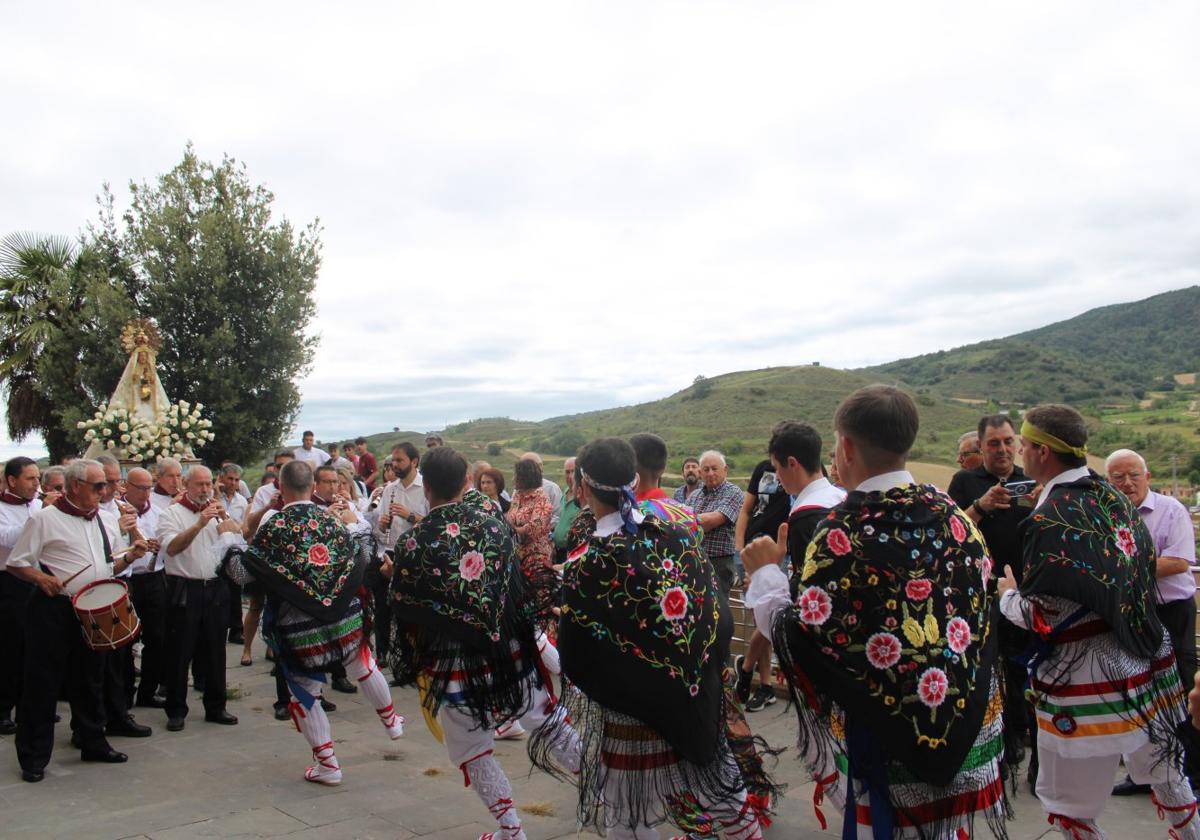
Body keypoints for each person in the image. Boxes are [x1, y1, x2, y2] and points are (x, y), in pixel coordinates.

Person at [743, 385, 1008, 838]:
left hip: (885, 747)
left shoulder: (840, 532)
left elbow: (803, 639)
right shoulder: (953, 514)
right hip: (965, 722)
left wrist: (767, 576)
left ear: (845, 446)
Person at [532, 437, 766, 839]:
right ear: (634, 479)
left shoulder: (587, 562)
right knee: (728, 801)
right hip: (695, 703)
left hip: (631, 720)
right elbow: (714, 614)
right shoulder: (675, 532)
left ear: (583, 488)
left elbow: (579, 659)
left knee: (627, 817)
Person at [996, 405, 1197, 837]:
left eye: (1026, 446)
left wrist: (1006, 596)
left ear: (1043, 453)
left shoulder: (1048, 519)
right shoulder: (1112, 499)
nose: (1022, 455)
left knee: (1071, 805)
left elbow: (1042, 615)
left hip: (1083, 677)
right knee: (1170, 778)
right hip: (1147, 661)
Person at [389, 446, 581, 840]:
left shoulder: (413, 543)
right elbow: (516, 592)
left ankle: (511, 829)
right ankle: (605, 787)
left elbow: (406, 614)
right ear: (466, 482)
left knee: (472, 749)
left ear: (425, 487)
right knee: (546, 721)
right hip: (508, 651)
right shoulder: (494, 527)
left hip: (452, 664)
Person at [216, 459, 402, 785]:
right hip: (344, 618)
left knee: (304, 694)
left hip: (301, 629)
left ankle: (329, 765)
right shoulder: (329, 519)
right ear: (313, 488)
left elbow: (241, 574)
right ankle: (391, 721)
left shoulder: (274, 527)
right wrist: (355, 524)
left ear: (281, 489)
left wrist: (230, 540)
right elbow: (363, 552)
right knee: (363, 663)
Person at [6, 459, 150, 782]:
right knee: (42, 683)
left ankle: (91, 740)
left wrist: (130, 556)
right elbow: (17, 564)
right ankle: (33, 755)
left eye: (106, 485)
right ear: (74, 486)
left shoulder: (107, 520)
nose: (106, 491)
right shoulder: (44, 520)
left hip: (92, 609)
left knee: (90, 678)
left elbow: (107, 565)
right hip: (53, 609)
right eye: (98, 485)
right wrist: (41, 580)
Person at [1106, 447, 1200, 797]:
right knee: (1137, 690)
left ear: (1147, 477)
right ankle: (1144, 774)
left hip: (1172, 612)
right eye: (1118, 477)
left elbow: (1178, 562)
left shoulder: (1171, 510)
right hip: (1132, 613)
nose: (1127, 483)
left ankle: (1188, 771)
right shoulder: (1108, 515)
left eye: (1133, 475)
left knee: (1180, 688)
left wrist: (1122, 570)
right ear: (1108, 482)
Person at [947, 414, 1037, 777]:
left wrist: (1040, 506)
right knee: (985, 669)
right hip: (979, 594)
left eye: (1008, 441)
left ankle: (1018, 736)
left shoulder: (1029, 481)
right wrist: (982, 505)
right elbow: (951, 531)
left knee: (1022, 668)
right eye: (993, 443)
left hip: (1025, 593)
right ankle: (995, 740)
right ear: (981, 447)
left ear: (1017, 443)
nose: (1002, 449)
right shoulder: (965, 481)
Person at [156, 465, 239, 731]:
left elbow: (237, 542)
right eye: (199, 484)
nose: (205, 490)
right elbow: (172, 548)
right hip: (185, 589)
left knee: (216, 651)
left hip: (215, 587)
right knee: (180, 652)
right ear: (186, 485)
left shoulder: (217, 512)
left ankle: (216, 706)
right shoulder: (171, 513)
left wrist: (226, 521)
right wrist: (200, 522)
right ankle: (176, 710)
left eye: (208, 484)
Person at [94, 455, 152, 738]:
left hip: (122, 583)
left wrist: (134, 541)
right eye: (111, 481)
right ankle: (92, 722)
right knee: (98, 662)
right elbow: (99, 553)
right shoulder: (91, 513)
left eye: (118, 481)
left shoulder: (116, 507)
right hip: (98, 589)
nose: (116, 487)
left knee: (122, 656)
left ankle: (118, 713)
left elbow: (123, 552)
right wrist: (120, 529)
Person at [732, 454, 791, 712]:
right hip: (753, 551)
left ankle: (746, 669)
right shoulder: (763, 469)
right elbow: (746, 510)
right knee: (761, 617)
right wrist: (738, 548)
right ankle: (765, 686)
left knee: (771, 616)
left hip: (782, 551)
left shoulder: (802, 467)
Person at [0, 456, 42, 735]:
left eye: (38, 478)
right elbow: (7, 538)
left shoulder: (38, 504)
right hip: (9, 581)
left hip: (37, 580)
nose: (36, 483)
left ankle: (32, 706)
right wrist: (39, 519)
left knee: (36, 648)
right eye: (30, 478)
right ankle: (3, 708)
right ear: (12, 480)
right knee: (10, 648)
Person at [122, 467, 168, 709]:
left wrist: (160, 544)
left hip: (154, 577)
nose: (145, 493)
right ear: (127, 486)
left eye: (149, 487)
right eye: (140, 487)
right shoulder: (117, 512)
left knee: (156, 637)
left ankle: (148, 692)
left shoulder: (158, 513)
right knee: (126, 639)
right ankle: (124, 691)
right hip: (129, 578)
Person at [687, 451, 744, 599]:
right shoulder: (694, 496)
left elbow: (712, 521)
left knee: (717, 608)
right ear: (700, 473)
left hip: (720, 563)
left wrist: (687, 520)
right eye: (706, 470)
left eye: (714, 468)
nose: (710, 473)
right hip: (694, 559)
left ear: (725, 470)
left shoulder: (734, 492)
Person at [506, 458, 554, 575]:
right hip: (518, 554)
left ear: (525, 477)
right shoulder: (517, 495)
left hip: (536, 557)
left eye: (516, 475)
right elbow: (509, 518)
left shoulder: (541, 497)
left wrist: (513, 529)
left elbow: (535, 527)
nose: (513, 479)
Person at [551, 457, 581, 560]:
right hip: (559, 551)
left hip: (573, 552)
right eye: (567, 472)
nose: (570, 476)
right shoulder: (565, 492)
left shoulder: (583, 497)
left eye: (573, 472)